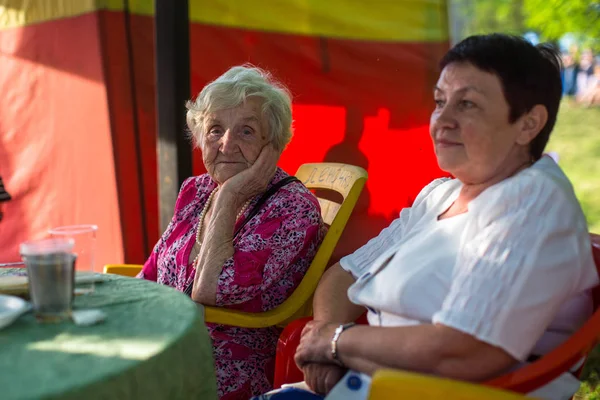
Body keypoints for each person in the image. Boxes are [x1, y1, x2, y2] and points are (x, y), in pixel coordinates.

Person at [292, 34, 598, 400]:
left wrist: (336, 342)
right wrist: (325, 339)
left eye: (467, 103)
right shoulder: (442, 193)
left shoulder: (532, 201)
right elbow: (346, 273)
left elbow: (466, 351)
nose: (442, 121)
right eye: (440, 101)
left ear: (528, 124)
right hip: (367, 385)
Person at [139, 65, 326, 399]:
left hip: (222, 366)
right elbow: (153, 271)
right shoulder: (196, 189)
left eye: (247, 132)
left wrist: (229, 198)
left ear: (274, 143)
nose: (226, 144)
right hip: (165, 342)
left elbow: (211, 291)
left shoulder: (292, 208)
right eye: (215, 129)